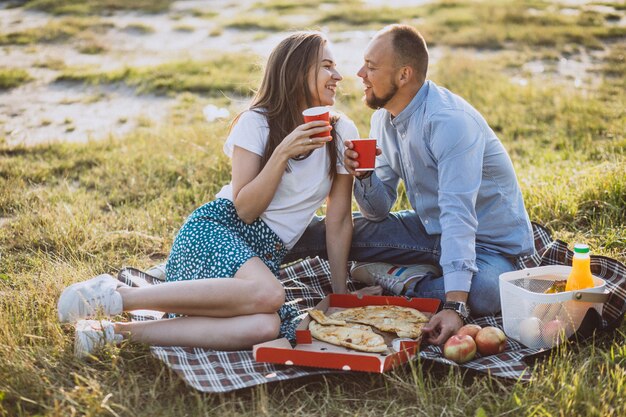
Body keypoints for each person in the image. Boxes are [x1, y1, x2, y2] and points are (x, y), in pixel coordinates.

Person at [57, 31, 359, 357]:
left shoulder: (342, 131)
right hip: (218, 231)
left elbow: (338, 218)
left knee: (266, 327)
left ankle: (112, 332)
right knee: (272, 295)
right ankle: (114, 296)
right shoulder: (257, 123)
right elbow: (245, 210)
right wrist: (282, 153)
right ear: (299, 72)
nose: (338, 76)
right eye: (328, 66)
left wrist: (341, 296)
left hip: (262, 259)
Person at [284, 24, 535, 345]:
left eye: (371, 67)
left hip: (488, 244)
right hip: (430, 231)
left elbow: (459, 218)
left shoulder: (450, 123)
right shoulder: (383, 119)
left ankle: (402, 279)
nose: (359, 73)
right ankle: (245, 262)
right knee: (328, 232)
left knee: (488, 291)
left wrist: (456, 306)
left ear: (403, 75)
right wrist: (364, 176)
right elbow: (378, 211)